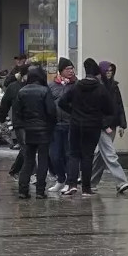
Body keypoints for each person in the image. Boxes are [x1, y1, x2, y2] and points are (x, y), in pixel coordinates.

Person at [58, 59, 113, 197]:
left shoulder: (77, 86)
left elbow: (62, 102)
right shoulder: (101, 89)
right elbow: (110, 108)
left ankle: (71, 184)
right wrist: (98, 114)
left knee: (74, 154)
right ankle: (87, 188)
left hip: (76, 124)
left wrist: (73, 112)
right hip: (93, 126)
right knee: (87, 155)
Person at [12, 66, 57, 199]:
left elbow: (17, 112)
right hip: (44, 130)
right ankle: (40, 191)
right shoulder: (45, 91)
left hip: (28, 130)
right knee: (43, 160)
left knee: (28, 160)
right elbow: (51, 111)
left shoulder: (22, 91)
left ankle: (23, 189)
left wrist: (23, 126)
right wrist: (51, 125)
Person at [91, 61, 128, 194]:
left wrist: (122, 124)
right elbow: (96, 109)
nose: (109, 73)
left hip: (111, 125)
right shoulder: (98, 87)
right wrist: (105, 125)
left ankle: (90, 182)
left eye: (111, 71)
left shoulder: (114, 86)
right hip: (102, 127)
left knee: (102, 156)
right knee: (109, 154)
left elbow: (119, 106)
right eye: (106, 71)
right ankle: (121, 181)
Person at [48, 58, 76, 192]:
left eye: (72, 68)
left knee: (69, 154)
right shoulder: (52, 85)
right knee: (54, 155)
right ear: (61, 71)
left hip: (71, 124)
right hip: (55, 125)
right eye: (67, 69)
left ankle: (70, 182)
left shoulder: (76, 85)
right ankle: (60, 178)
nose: (71, 71)